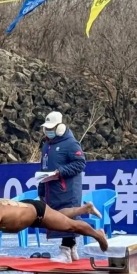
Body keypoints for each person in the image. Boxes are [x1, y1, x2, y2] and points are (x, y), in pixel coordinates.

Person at [0, 198, 108, 253]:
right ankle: (84, 208)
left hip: (36, 212)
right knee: (59, 218)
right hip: (26, 213)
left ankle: (98, 234)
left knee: (70, 226)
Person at [38, 111, 87, 263]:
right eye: (47, 128)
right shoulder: (47, 145)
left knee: (67, 217)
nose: (49, 131)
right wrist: (41, 188)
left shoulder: (71, 144)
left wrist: (60, 172)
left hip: (68, 189)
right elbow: (44, 167)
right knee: (58, 218)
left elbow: (80, 163)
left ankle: (66, 251)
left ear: (60, 127)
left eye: (52, 128)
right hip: (52, 189)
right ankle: (71, 249)